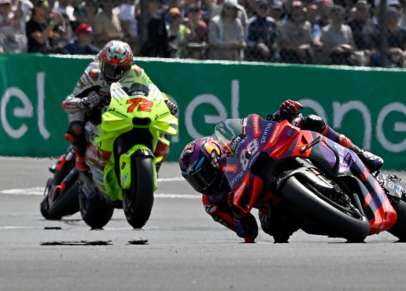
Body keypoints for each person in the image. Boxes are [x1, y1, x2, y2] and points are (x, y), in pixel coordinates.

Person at [179, 99, 384, 243]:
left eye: (203, 174)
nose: (203, 184)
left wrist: (280, 115)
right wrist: (239, 216)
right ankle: (332, 219)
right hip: (270, 205)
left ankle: (360, 154)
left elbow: (257, 132)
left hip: (270, 164)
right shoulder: (212, 203)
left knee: (311, 122)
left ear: (215, 159)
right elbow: (248, 233)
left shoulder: (231, 150)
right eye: (195, 180)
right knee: (275, 230)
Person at [62, 40, 178, 173]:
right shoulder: (93, 73)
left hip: (123, 112)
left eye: (121, 69)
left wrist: (165, 102)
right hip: (96, 112)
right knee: (75, 128)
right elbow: (68, 102)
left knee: (161, 130)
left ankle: (154, 167)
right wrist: (84, 101)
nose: (115, 75)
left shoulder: (136, 72)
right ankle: (80, 156)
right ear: (102, 62)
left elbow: (152, 90)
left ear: (129, 65)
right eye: (110, 68)